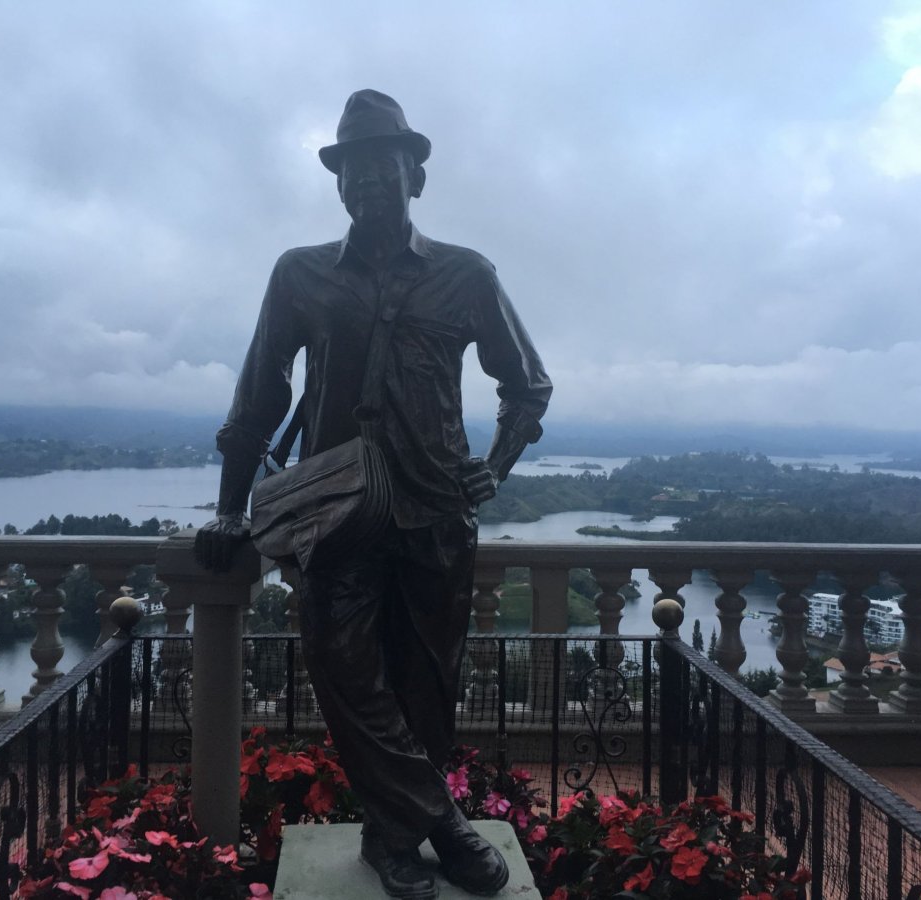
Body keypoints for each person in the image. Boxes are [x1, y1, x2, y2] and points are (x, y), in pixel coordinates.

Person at [195, 89, 551, 899]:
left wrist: (495, 467)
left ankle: (394, 842)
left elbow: (527, 384)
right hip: (336, 514)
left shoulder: (466, 274)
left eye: (381, 166)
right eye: (351, 169)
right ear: (338, 184)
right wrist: (229, 507)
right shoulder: (300, 273)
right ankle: (446, 824)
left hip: (436, 512)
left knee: (426, 687)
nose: (365, 181)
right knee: (344, 671)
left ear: (414, 177)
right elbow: (260, 394)